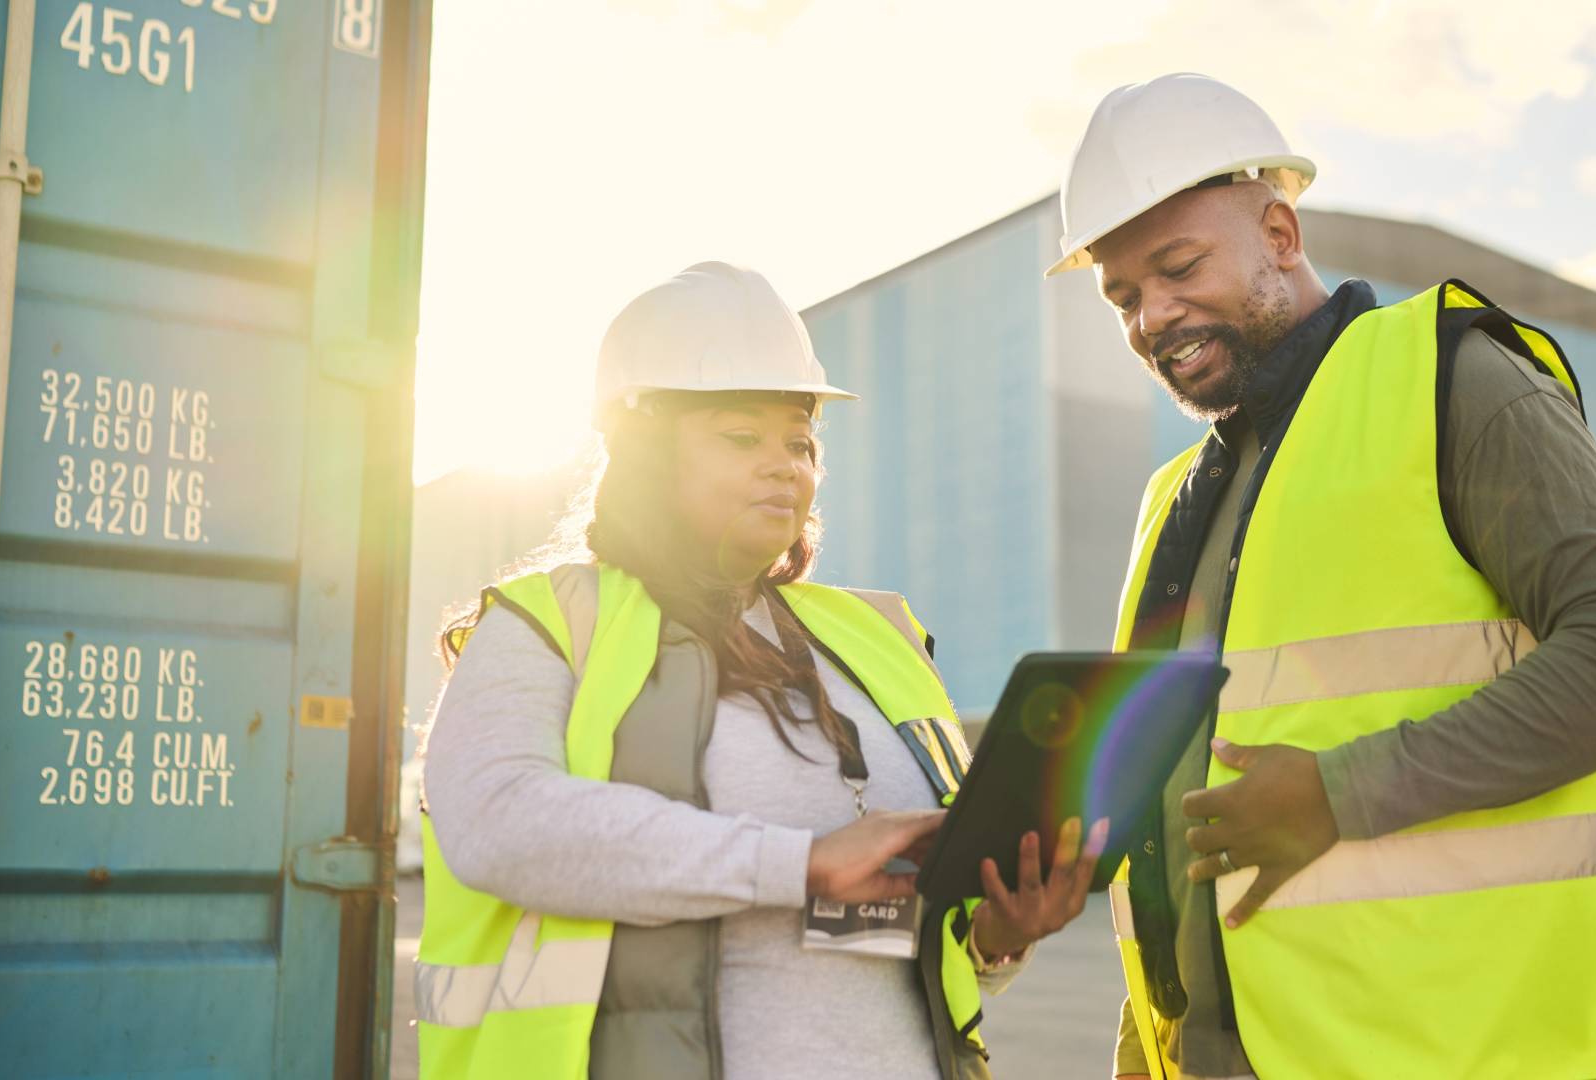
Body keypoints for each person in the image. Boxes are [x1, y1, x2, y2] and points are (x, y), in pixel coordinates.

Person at [1045, 75, 1596, 1079]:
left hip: (1492, 1050)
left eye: (1178, 268)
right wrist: (1148, 1045)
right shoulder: (1172, 502)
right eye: (1123, 298)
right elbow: (1169, 809)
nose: (1152, 317)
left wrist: (1339, 792)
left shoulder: (1452, 379)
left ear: (1279, 234)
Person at [413, 261, 1107, 1080]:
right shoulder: (548, 622)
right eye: (742, 438)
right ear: (644, 453)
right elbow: (498, 824)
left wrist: (999, 934)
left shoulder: (875, 636)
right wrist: (798, 863)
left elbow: (908, 937)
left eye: (800, 442)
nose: (787, 467)